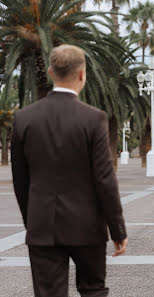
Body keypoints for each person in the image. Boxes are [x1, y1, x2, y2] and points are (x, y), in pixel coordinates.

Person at [11, 44, 128, 297]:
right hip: (88, 227)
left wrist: (33, 221)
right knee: (93, 291)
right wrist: (117, 229)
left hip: (42, 227)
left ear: (51, 73)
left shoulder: (24, 118)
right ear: (83, 74)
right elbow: (104, 179)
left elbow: (20, 181)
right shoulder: (93, 119)